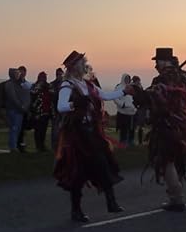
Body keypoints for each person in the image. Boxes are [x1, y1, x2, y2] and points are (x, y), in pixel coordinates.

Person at [54, 50, 133, 222]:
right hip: (78, 134)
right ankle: (77, 210)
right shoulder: (67, 85)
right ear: (74, 67)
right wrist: (75, 103)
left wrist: (124, 91)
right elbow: (61, 106)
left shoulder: (88, 84)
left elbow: (105, 95)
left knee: (104, 163)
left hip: (92, 132)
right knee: (78, 172)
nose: (85, 65)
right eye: (82, 63)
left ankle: (111, 202)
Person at [132, 47, 186, 212]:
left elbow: (150, 98)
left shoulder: (161, 80)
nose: (155, 65)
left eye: (157, 61)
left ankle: (177, 198)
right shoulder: (182, 78)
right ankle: (175, 195)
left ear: (164, 61)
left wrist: (135, 92)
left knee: (166, 160)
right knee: (173, 159)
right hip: (181, 125)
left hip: (165, 125)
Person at [4, 68, 29, 153]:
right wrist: (21, 107)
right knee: (14, 128)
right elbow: (13, 98)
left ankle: (14, 146)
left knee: (17, 129)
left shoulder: (19, 84)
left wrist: (25, 106)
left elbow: (24, 95)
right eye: (16, 74)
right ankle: (13, 147)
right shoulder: (10, 84)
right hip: (13, 110)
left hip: (19, 110)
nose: (18, 75)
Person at [30, 72, 53, 152]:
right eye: (42, 77)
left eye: (45, 77)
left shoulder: (49, 86)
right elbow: (33, 93)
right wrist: (39, 87)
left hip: (46, 111)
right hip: (38, 111)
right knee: (37, 129)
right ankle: (38, 146)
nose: (44, 79)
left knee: (43, 130)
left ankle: (42, 145)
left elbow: (53, 93)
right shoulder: (35, 86)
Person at [114, 73, 137, 146]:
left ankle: (131, 141)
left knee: (132, 128)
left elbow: (136, 97)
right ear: (123, 79)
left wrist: (135, 107)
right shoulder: (119, 87)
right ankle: (122, 142)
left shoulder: (132, 87)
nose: (128, 80)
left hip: (132, 112)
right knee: (123, 128)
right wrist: (122, 105)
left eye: (129, 79)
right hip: (123, 112)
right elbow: (115, 98)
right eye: (126, 78)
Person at [17, 65, 32, 152]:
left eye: (23, 72)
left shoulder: (27, 84)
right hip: (17, 108)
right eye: (20, 72)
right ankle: (16, 146)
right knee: (17, 128)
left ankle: (21, 146)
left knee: (23, 129)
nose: (22, 74)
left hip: (25, 109)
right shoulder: (15, 84)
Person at [49, 67, 64, 152]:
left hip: (63, 110)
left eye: (61, 74)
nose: (60, 76)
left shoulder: (65, 84)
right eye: (58, 74)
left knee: (63, 129)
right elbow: (52, 97)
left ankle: (61, 147)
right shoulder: (52, 84)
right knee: (55, 129)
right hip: (55, 109)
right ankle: (54, 147)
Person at [131, 76, 148, 145]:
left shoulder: (139, 87)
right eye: (138, 80)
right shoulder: (134, 87)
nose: (139, 81)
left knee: (141, 125)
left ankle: (140, 141)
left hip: (142, 106)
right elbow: (135, 97)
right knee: (138, 125)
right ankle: (138, 141)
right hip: (139, 107)